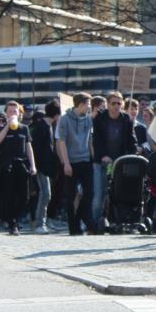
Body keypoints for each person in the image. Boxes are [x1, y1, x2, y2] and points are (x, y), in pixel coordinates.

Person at [91, 91, 136, 230]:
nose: (117, 106)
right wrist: (103, 155)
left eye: (119, 103)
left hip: (119, 163)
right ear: (108, 105)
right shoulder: (99, 118)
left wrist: (135, 152)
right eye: (113, 103)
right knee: (99, 194)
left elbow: (131, 140)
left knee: (117, 192)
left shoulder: (126, 119)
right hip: (102, 161)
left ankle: (115, 220)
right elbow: (96, 140)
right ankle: (94, 224)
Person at [0, 101, 37, 235]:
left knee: (25, 196)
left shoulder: (24, 128)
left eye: (15, 111)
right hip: (7, 164)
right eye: (10, 111)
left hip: (21, 163)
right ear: (6, 113)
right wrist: (7, 126)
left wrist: (33, 165)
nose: (13, 113)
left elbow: (28, 147)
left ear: (20, 113)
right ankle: (12, 223)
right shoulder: (1, 128)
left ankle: (12, 218)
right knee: (9, 196)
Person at [56, 93, 95, 236]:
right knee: (71, 196)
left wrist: (93, 157)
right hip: (71, 162)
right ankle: (73, 226)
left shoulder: (89, 120)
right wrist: (66, 163)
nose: (90, 107)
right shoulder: (65, 120)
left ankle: (81, 217)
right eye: (88, 104)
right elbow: (61, 142)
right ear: (81, 104)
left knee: (89, 193)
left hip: (85, 161)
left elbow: (90, 139)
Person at [30, 101, 61, 234]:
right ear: (56, 114)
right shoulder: (42, 126)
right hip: (40, 167)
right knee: (45, 194)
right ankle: (39, 223)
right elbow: (36, 148)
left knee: (45, 194)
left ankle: (42, 221)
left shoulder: (47, 125)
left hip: (44, 167)